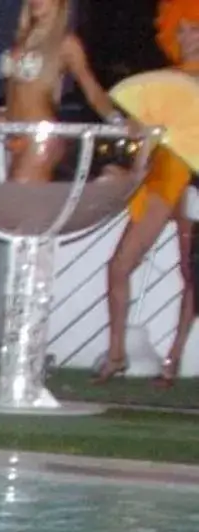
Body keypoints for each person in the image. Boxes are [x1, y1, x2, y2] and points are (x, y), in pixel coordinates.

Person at [95, 1, 199, 381]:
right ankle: (118, 351)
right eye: (181, 30)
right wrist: (135, 144)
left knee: (192, 274)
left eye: (195, 29)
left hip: (193, 182)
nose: (187, 37)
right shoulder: (164, 78)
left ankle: (173, 358)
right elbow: (144, 132)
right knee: (119, 266)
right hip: (159, 180)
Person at [1, 0, 117, 183]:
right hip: (15, 136)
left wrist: (118, 120)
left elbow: (92, 90)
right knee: (16, 204)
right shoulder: (22, 39)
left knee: (21, 202)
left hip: (41, 136)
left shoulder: (66, 43)